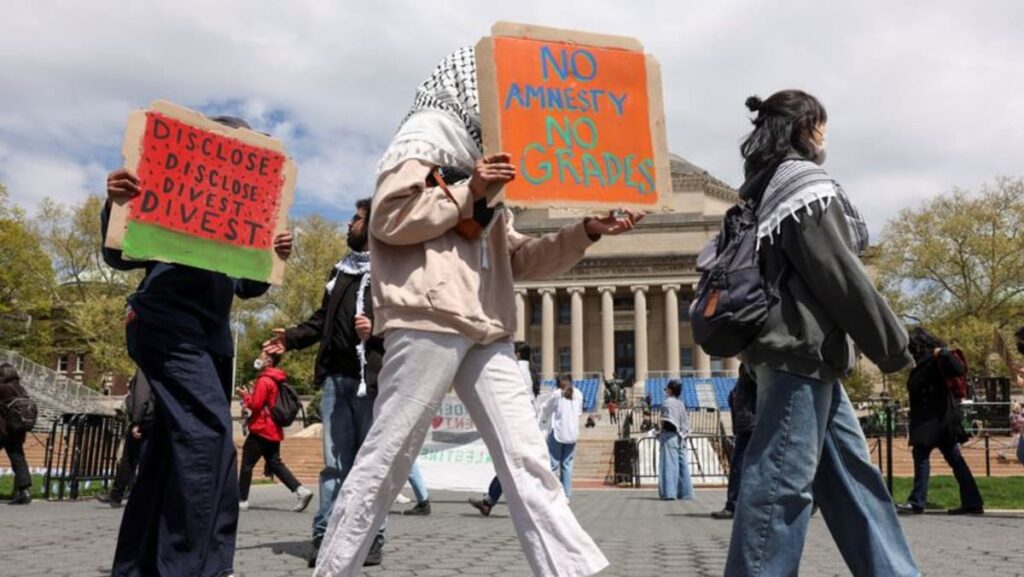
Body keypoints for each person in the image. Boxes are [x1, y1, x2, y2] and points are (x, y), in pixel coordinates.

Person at [314, 46, 641, 577]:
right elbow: (390, 219)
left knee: (528, 461)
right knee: (387, 458)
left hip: (488, 329)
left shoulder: (481, 158)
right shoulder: (424, 135)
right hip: (430, 318)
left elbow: (515, 258)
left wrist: (586, 231)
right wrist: (472, 191)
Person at [724, 91, 920, 577]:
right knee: (778, 487)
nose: (825, 138)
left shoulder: (764, 186)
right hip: (799, 354)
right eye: (822, 127)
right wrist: (895, 347)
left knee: (855, 481)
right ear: (806, 126)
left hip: (807, 358)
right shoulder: (803, 186)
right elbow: (838, 275)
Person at [101, 115, 293, 577]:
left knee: (173, 449)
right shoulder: (171, 190)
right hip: (164, 319)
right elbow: (116, 253)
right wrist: (116, 203)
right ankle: (197, 567)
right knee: (208, 440)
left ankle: (140, 566)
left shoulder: (241, 214)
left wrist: (274, 253)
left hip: (210, 338)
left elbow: (248, 286)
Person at [262, 197, 397, 567]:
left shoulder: (392, 272)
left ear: (372, 227)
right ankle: (325, 533)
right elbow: (321, 321)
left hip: (374, 382)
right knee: (335, 464)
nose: (348, 224)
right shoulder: (341, 271)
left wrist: (377, 332)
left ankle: (372, 538)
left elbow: (408, 325)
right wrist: (288, 338)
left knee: (371, 466)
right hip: (337, 381)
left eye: (356, 219)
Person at [897, 327, 984, 516]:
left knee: (925, 457)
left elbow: (959, 369)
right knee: (952, 460)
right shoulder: (922, 363)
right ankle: (972, 501)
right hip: (933, 419)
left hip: (937, 419)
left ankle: (918, 501)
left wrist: (944, 353)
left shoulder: (936, 359)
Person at [468, 341, 540, 517]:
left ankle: (535, 504)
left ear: (517, 354)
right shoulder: (529, 370)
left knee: (511, 466)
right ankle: (489, 501)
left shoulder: (517, 369)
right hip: (524, 420)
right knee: (509, 465)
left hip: (515, 421)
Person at [237, 350, 313, 513]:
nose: (258, 359)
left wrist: (245, 396)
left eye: (261, 356)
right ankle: (301, 491)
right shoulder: (276, 379)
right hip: (273, 429)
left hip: (261, 428)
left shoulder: (265, 380)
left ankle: (242, 500)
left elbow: (256, 405)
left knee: (247, 464)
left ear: (269, 361)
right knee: (275, 463)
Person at [98, 370, 155, 508]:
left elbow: (142, 398)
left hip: (144, 420)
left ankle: (117, 495)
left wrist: (136, 422)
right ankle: (122, 495)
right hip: (153, 420)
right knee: (141, 460)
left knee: (129, 459)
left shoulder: (144, 370)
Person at [711, 365, 756, 519]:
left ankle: (734, 504)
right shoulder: (747, 366)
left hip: (750, 423)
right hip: (747, 423)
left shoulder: (752, 364)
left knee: (739, 466)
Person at [540, 375, 584, 500]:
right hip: (572, 433)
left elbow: (546, 409)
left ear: (559, 382)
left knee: (554, 465)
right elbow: (579, 413)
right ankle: (566, 495)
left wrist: (543, 420)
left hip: (558, 432)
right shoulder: (579, 394)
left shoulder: (557, 394)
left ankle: (552, 494)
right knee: (567, 465)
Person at [0, 363, 32, 505]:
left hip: (2, 429)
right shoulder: (21, 389)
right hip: (18, 430)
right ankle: (24, 492)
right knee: (18, 459)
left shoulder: (3, 388)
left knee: (17, 458)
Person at [657, 380, 693, 500]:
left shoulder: (667, 403)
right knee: (683, 465)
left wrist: (659, 430)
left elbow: (668, 421)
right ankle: (686, 493)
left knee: (669, 464)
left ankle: (669, 492)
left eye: (667, 389)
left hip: (670, 436)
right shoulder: (680, 403)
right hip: (682, 437)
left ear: (670, 390)